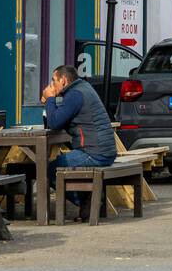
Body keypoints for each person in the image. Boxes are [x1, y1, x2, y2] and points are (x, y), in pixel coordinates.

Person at [41, 64, 117, 222]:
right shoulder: (83, 88)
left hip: (95, 153)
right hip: (104, 150)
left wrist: (49, 99)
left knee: (50, 169)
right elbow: (63, 119)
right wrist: (51, 103)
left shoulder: (75, 94)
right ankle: (89, 198)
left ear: (64, 80)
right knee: (59, 165)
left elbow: (54, 123)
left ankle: (86, 200)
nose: (52, 85)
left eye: (54, 80)